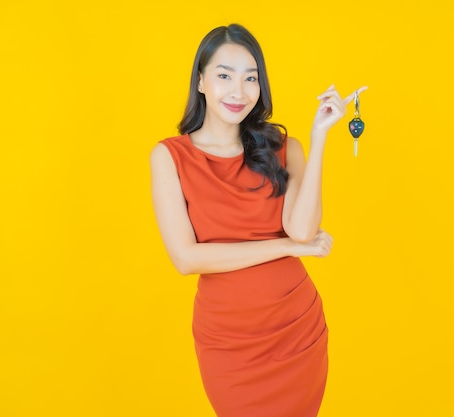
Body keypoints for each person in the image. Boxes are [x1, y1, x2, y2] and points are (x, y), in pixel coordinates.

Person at [150, 23, 366, 417]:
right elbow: (186, 259)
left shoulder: (284, 148)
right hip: (229, 342)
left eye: (251, 78)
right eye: (224, 76)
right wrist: (285, 247)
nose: (239, 91)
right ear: (200, 81)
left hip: (295, 330)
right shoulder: (170, 157)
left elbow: (302, 229)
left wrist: (318, 138)